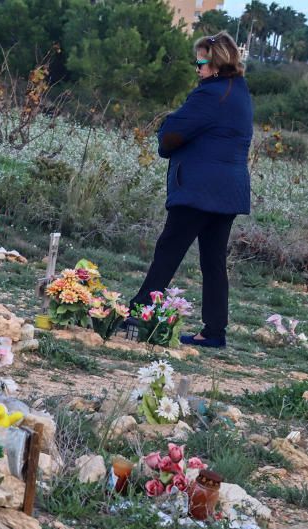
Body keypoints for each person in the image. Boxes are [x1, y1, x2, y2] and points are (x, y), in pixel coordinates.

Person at [129, 32, 253, 349]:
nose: (196, 68)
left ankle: (137, 313)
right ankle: (214, 332)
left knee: (168, 251)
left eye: (200, 62)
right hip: (227, 192)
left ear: (215, 63)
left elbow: (173, 132)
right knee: (213, 262)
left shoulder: (210, 94)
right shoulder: (239, 92)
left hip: (199, 188)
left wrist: (166, 135)